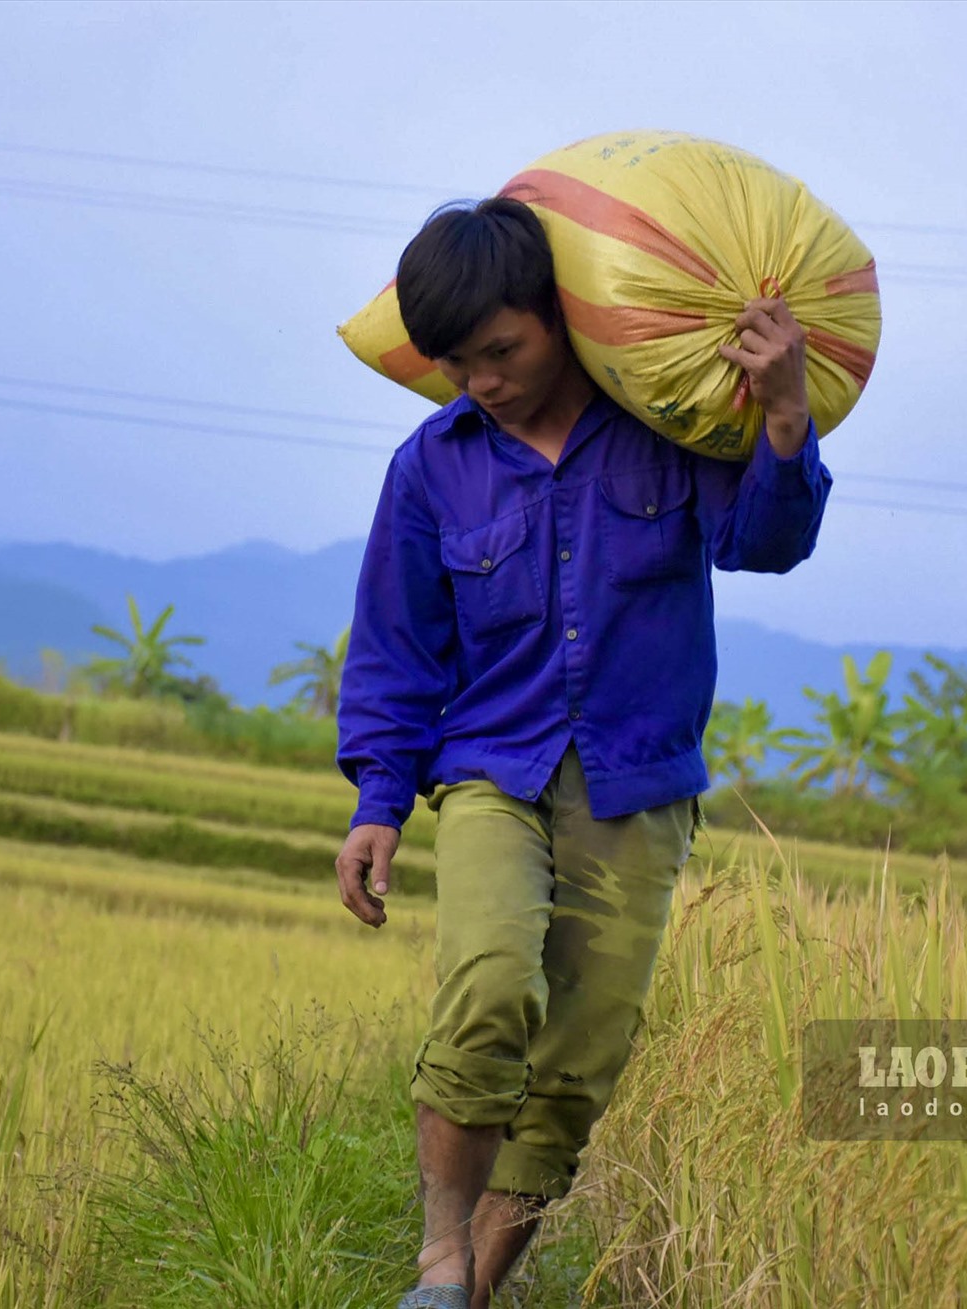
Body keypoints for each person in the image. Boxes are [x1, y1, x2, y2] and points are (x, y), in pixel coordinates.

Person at [333, 196, 832, 1309]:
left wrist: (786, 412)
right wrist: (377, 798)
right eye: (458, 362)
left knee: (576, 1067)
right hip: (489, 771)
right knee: (488, 989)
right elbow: (396, 650)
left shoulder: (670, 428)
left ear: (559, 318)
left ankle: (468, 1296)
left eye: (501, 351)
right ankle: (436, 1257)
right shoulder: (432, 467)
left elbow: (766, 544)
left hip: (636, 778)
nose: (482, 381)